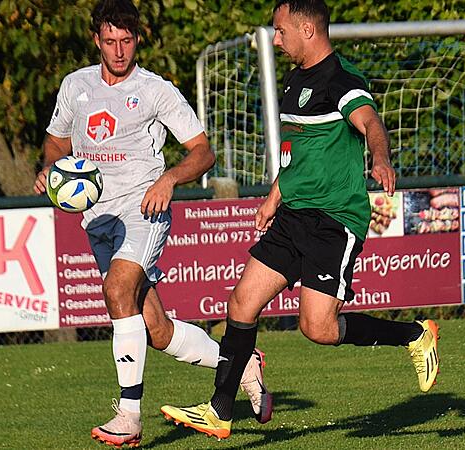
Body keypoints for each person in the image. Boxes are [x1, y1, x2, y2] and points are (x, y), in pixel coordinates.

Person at [160, 0, 440, 440]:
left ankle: (414, 335)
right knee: (241, 304)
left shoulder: (341, 79)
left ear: (307, 30)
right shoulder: (294, 80)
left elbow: (371, 123)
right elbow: (297, 156)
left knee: (318, 328)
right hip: (292, 215)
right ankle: (219, 411)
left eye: (280, 30)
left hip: (333, 220)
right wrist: (274, 197)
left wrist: (381, 159)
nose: (275, 40)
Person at [33, 0, 272, 447]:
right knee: (158, 330)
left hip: (144, 210)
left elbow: (203, 151)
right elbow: (55, 142)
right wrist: (50, 170)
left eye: (126, 41)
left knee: (117, 289)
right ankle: (241, 363)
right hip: (98, 218)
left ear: (137, 39)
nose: (118, 50)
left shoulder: (155, 90)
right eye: (110, 41)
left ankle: (129, 415)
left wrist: (169, 178)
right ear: (96, 40)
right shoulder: (76, 85)